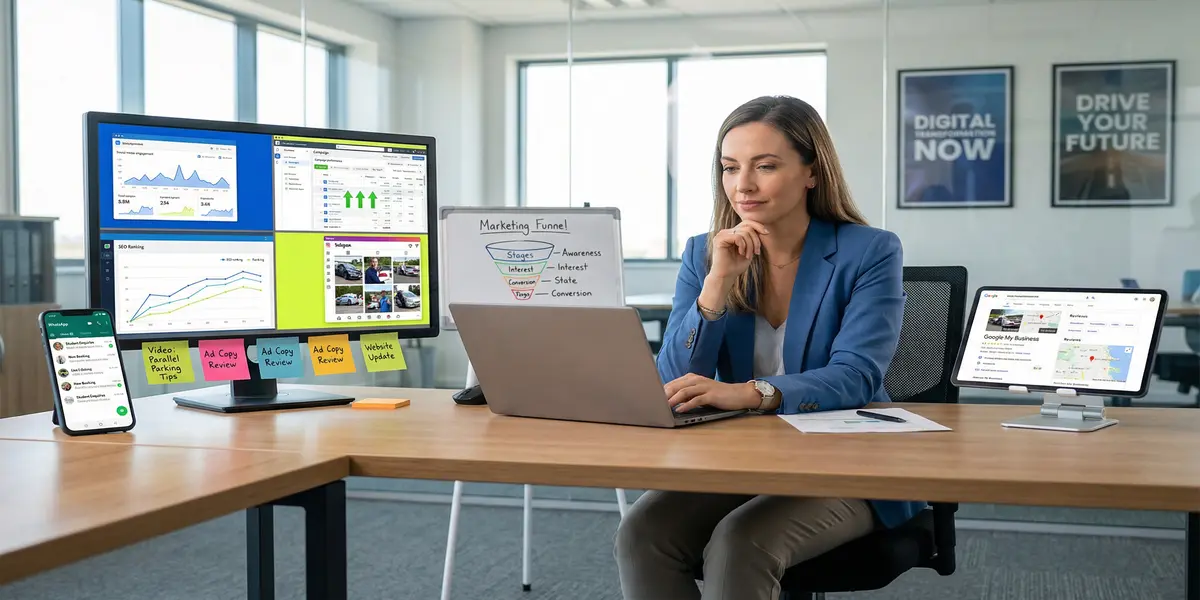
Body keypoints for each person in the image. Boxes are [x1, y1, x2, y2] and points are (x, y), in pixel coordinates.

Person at [614, 95, 921, 600]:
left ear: (811, 173)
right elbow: (674, 378)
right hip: (744, 459)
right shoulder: (704, 252)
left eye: (766, 166)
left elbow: (857, 374)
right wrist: (715, 289)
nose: (743, 185)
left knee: (742, 542)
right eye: (730, 168)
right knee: (641, 534)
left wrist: (751, 392)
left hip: (846, 464)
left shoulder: (870, 251)